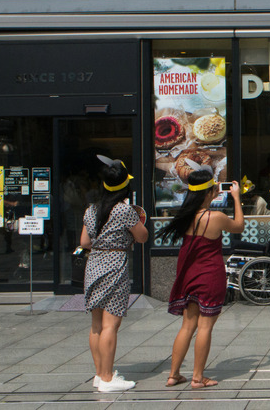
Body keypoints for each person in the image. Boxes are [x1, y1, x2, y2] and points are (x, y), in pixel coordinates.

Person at [156, 165, 244, 389]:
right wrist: (236, 198)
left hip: (189, 276)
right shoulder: (216, 217)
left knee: (187, 326)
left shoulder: (185, 217)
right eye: (214, 188)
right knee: (205, 327)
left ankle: (173, 375)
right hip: (210, 275)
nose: (216, 191)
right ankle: (197, 377)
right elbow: (239, 226)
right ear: (208, 193)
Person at [80, 155, 148, 393]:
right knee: (111, 325)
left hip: (94, 264)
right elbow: (142, 236)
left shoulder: (92, 209)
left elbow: (84, 241)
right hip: (115, 263)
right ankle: (108, 378)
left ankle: (99, 374)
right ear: (125, 185)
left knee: (96, 325)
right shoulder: (124, 210)